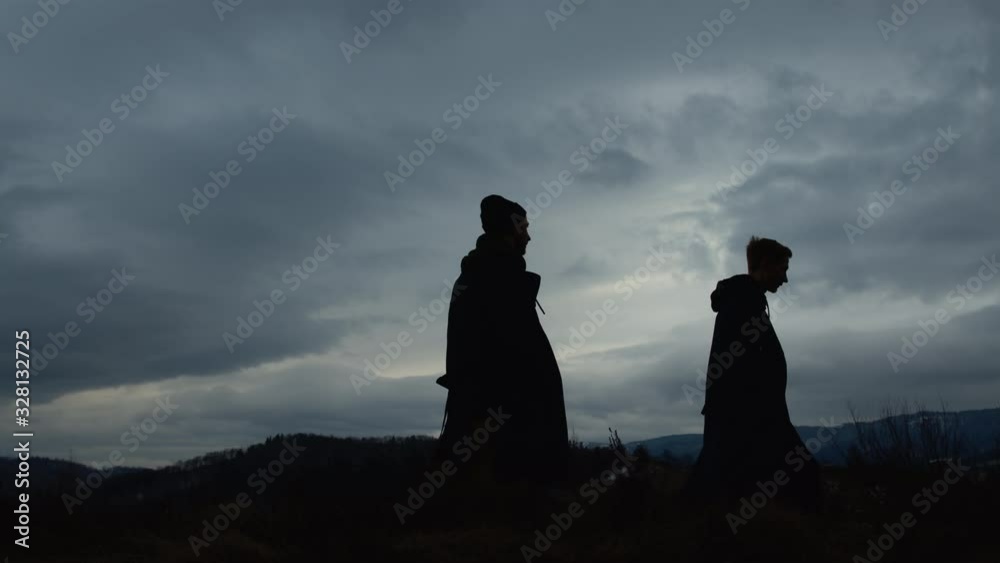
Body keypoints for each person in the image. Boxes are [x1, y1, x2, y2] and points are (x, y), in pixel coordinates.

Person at [435, 195, 569, 487]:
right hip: (499, 411)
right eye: (523, 227)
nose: (529, 236)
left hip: (498, 407)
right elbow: (507, 352)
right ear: (508, 228)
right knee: (497, 490)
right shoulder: (494, 278)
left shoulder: (485, 275)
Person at [685, 236, 821, 512]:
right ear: (766, 265)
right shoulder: (742, 303)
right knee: (798, 477)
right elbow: (738, 365)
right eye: (782, 269)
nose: (785, 279)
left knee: (723, 483)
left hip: (750, 412)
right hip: (747, 413)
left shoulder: (747, 300)